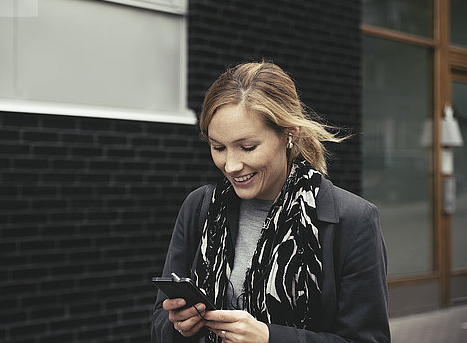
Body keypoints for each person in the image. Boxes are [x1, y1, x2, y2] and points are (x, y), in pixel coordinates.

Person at [152, 61, 390, 343]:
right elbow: (159, 328)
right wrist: (178, 326)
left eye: (247, 147)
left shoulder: (354, 220)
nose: (230, 165)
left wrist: (269, 338)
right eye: (218, 147)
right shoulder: (199, 207)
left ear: (289, 134)